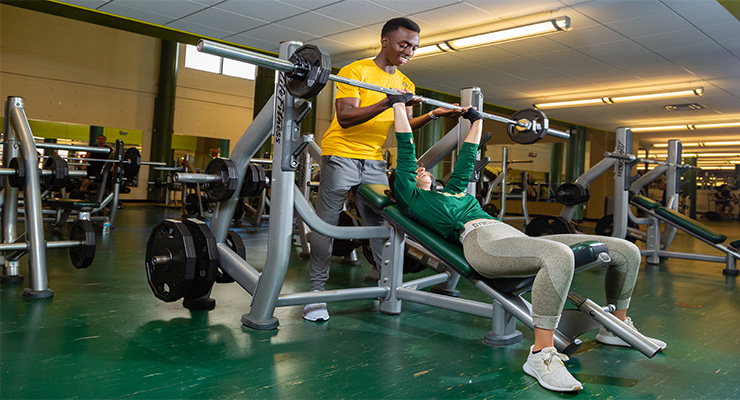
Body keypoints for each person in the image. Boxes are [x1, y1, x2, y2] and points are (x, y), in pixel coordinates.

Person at [387, 93, 666, 393]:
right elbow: (406, 149)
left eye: (423, 168)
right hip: (480, 241)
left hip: (511, 236)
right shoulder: (411, 198)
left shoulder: (452, 191)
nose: (422, 169)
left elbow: (467, 156)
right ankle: (541, 355)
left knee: (626, 249)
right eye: (416, 171)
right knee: (558, 256)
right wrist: (399, 106)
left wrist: (475, 120)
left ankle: (617, 328)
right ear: (402, 185)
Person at [304, 17, 465, 322]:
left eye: (414, 46)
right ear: (385, 41)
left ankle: (386, 284)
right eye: (404, 44)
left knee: (384, 224)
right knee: (326, 224)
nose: (409, 50)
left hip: (375, 161)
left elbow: (401, 124)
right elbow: (346, 117)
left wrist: (432, 114)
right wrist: (386, 102)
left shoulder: (405, 83)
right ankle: (315, 293)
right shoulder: (356, 70)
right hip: (340, 155)